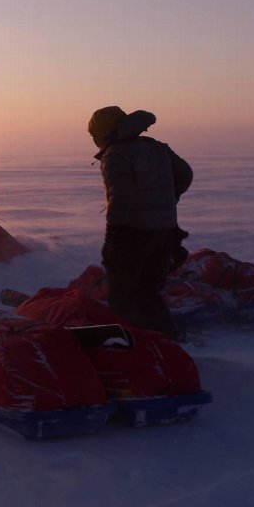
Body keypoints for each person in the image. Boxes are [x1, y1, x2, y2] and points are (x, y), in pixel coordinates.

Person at [88, 106, 193, 340]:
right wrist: (167, 199)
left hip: (132, 234)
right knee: (149, 291)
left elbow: (121, 197)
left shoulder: (116, 154)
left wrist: (113, 235)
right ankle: (167, 338)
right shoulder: (155, 146)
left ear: (104, 133)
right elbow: (185, 174)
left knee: (122, 295)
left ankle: (128, 345)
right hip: (166, 231)